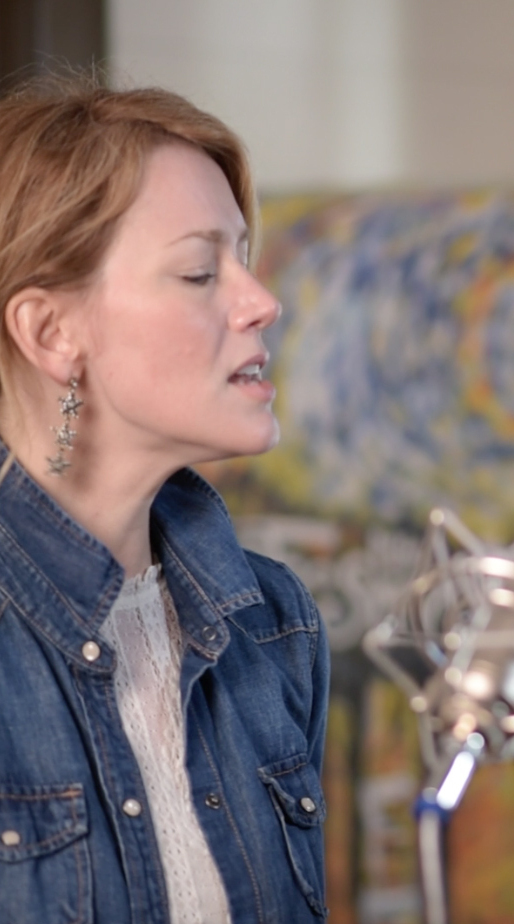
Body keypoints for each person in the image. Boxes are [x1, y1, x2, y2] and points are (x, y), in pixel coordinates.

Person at [0, 76, 329, 923]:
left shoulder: (274, 622)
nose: (261, 303)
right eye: (197, 271)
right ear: (51, 333)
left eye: (243, 260)